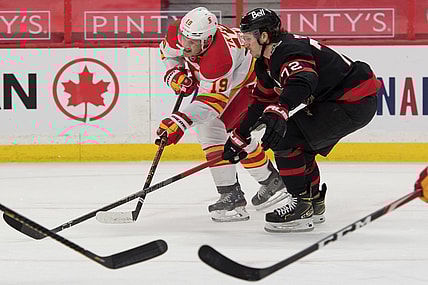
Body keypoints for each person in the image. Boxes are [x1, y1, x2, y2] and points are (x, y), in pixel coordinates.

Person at [223, 8, 381, 232]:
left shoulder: (288, 50)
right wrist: (240, 135)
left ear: (265, 36)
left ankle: (300, 207)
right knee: (299, 146)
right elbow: (260, 101)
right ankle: (313, 203)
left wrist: (280, 109)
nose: (244, 44)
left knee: (285, 140)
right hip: (344, 101)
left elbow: (303, 79)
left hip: (352, 101)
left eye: (248, 38)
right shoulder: (265, 62)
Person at [157, 7, 289, 222]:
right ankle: (265, 182)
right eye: (184, 39)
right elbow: (167, 53)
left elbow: (213, 104)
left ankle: (235, 194)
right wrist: (175, 74)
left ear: (208, 40)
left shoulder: (220, 57)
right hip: (229, 83)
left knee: (216, 129)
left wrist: (179, 121)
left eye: (193, 42)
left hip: (251, 83)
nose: (186, 46)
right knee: (220, 132)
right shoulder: (177, 33)